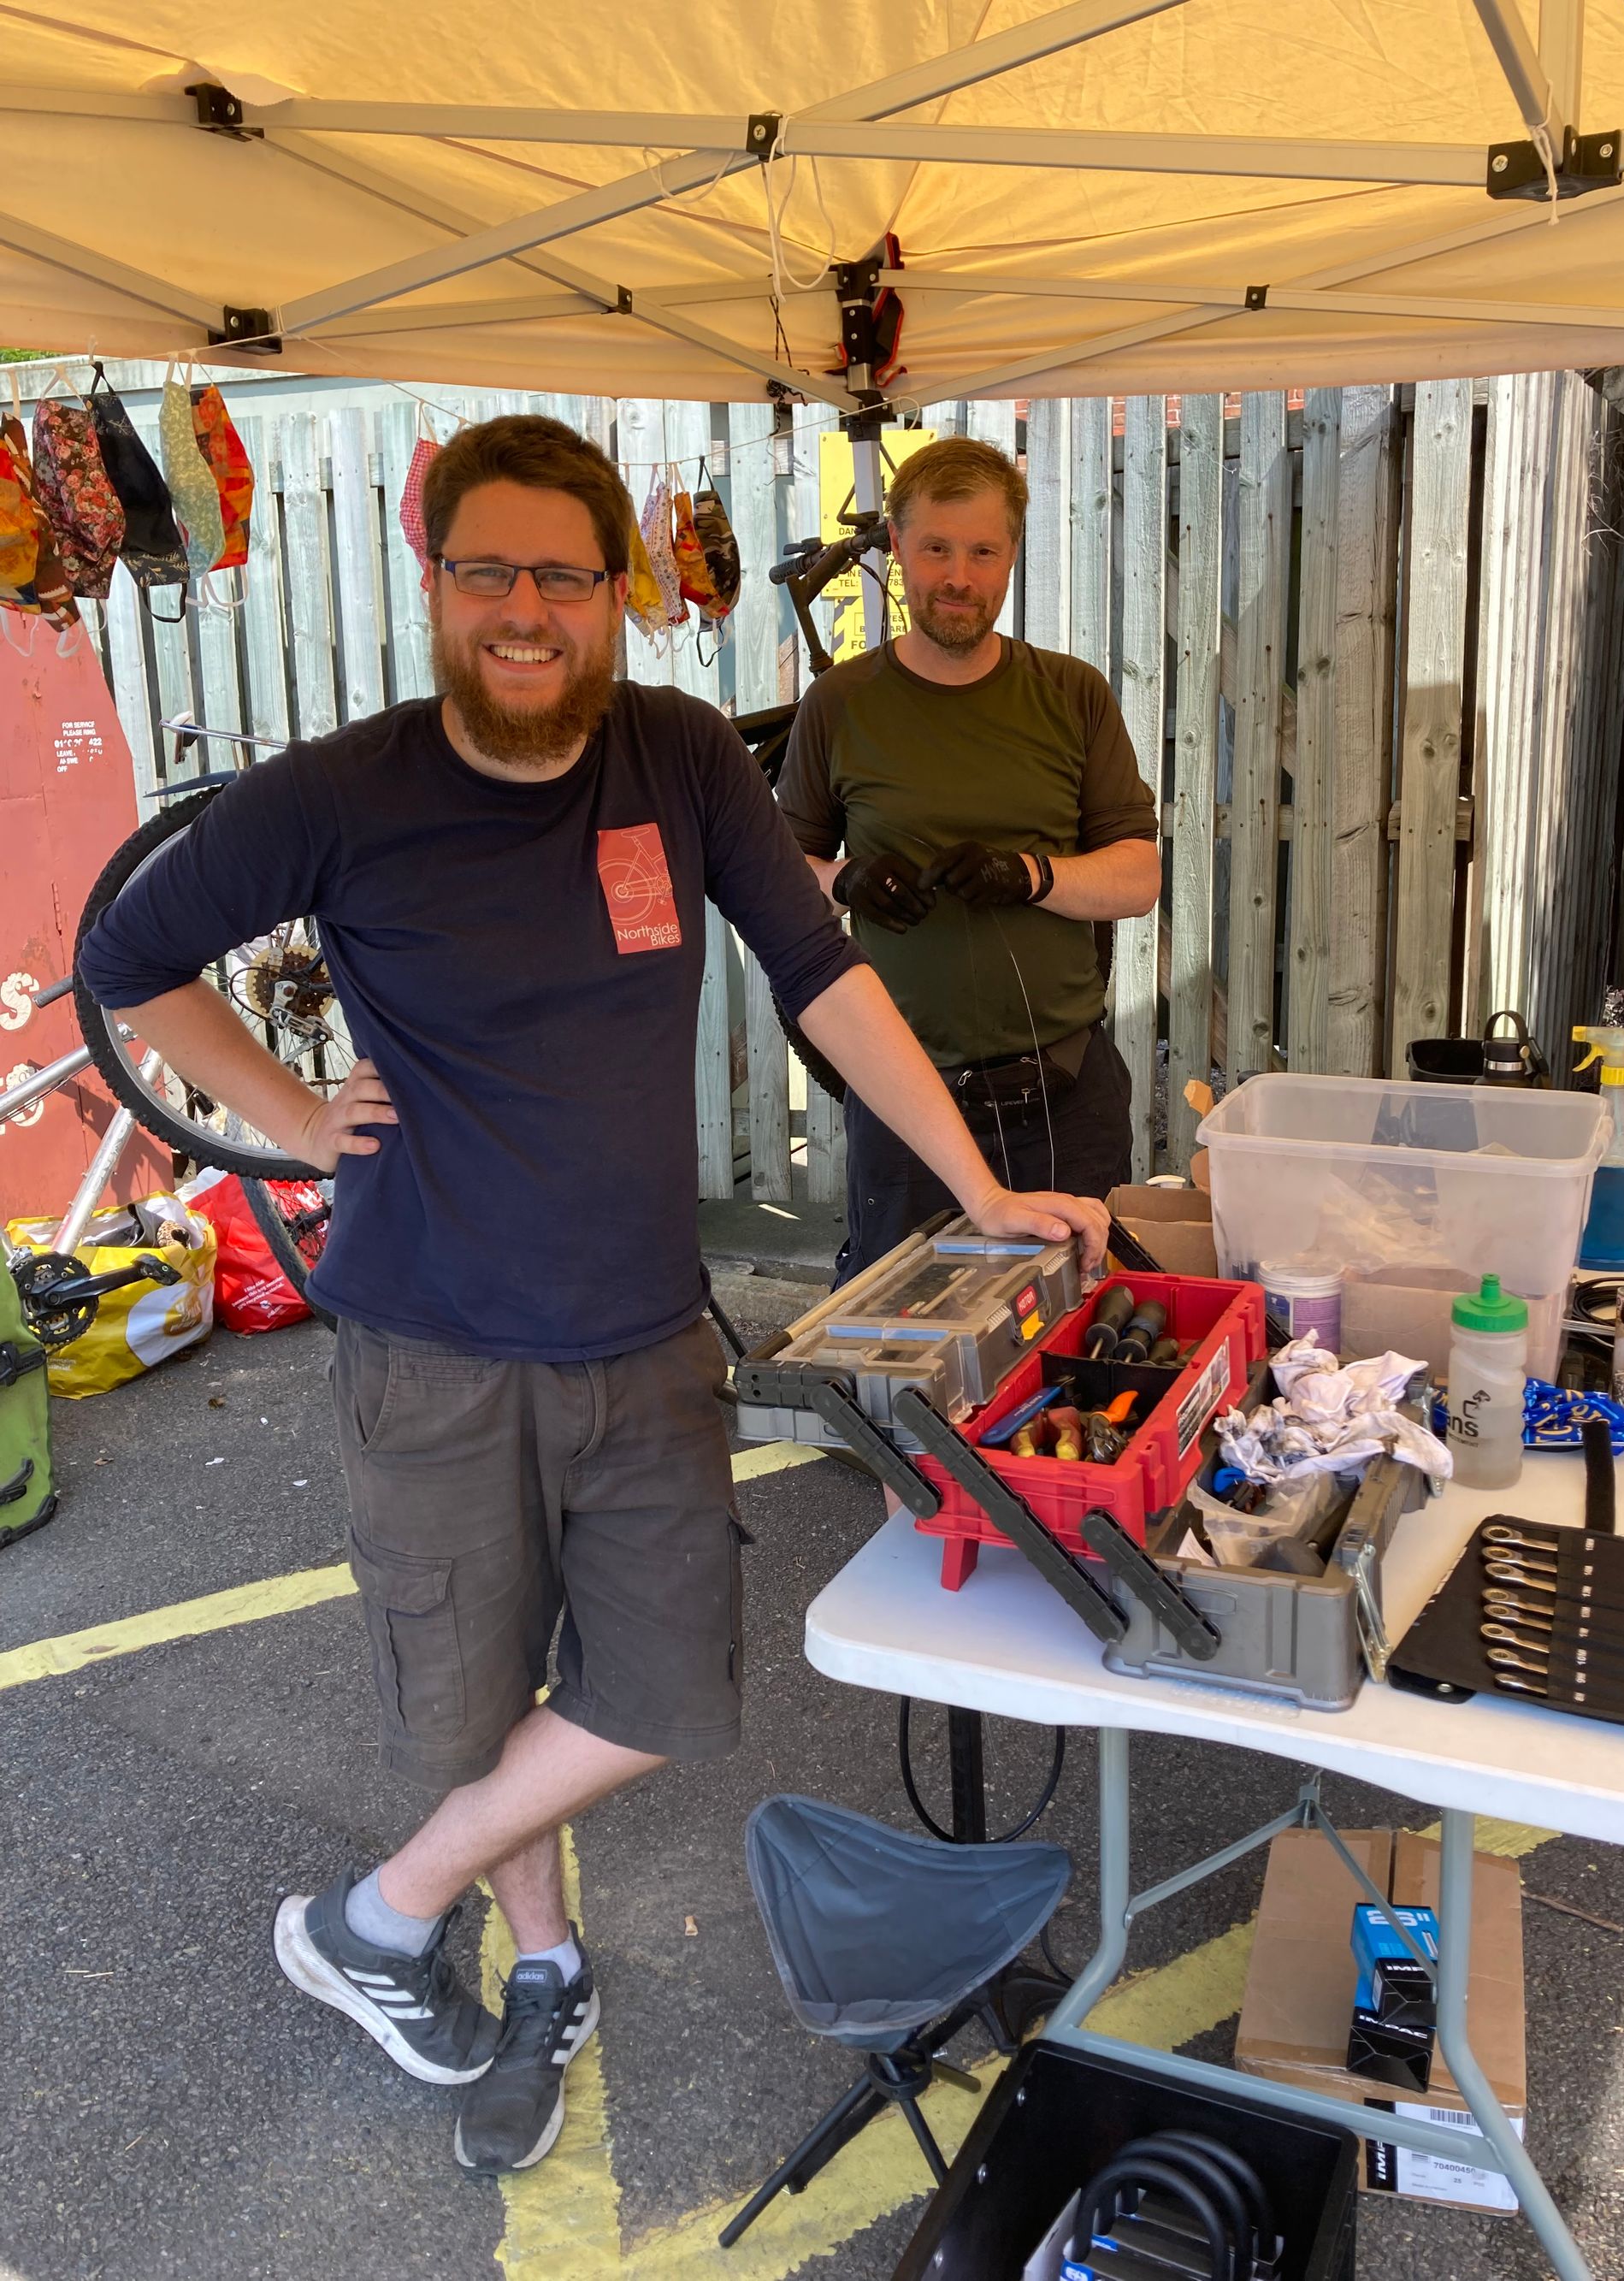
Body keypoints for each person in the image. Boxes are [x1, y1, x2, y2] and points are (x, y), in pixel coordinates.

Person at [77, 415, 1108, 2183]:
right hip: (432, 1342)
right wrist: (294, 1118)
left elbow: (823, 972)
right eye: (488, 569)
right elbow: (128, 960)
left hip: (641, 1331)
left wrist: (977, 1186)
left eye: (564, 574)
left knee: (662, 1686)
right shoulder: (343, 789)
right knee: (474, 1710)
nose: (526, 609)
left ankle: (378, 1918)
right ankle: (540, 1965)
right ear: (436, 582)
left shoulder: (680, 755)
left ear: (617, 589)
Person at [777, 435, 1161, 1281]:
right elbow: (774, 878)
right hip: (905, 1099)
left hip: (1066, 1089)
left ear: (1012, 555)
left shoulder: (1071, 694)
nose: (958, 577)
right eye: (935, 549)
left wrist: (1030, 875)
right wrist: (843, 880)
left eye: (982, 552)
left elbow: (1138, 876)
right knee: (902, 1325)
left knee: (1083, 1315)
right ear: (896, 548)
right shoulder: (839, 703)